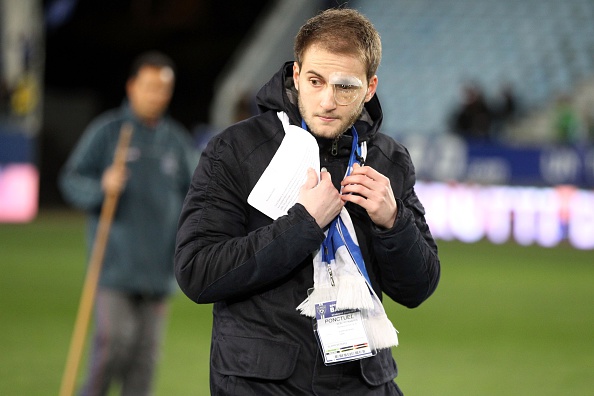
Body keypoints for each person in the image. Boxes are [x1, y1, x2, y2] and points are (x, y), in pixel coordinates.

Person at [175, 8, 440, 395]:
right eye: (315, 81)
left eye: (345, 86)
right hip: (261, 384)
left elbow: (419, 288)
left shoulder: (388, 160)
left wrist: (394, 222)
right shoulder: (235, 149)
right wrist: (303, 225)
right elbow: (197, 272)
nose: (327, 101)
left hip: (362, 381)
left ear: (369, 88)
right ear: (297, 75)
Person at [59, 51, 197, 395]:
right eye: (150, 87)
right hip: (114, 267)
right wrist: (100, 186)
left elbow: (196, 196)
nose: (157, 96)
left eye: (164, 88)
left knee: (145, 359)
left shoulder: (176, 141)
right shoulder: (108, 132)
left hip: (159, 270)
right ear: (132, 87)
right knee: (113, 346)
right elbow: (71, 178)